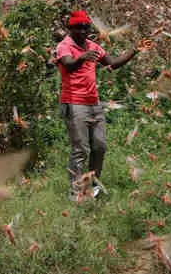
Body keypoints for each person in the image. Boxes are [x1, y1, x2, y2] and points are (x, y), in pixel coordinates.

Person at [54, 10, 151, 201]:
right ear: (70, 29)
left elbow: (113, 63)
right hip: (74, 104)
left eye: (85, 27)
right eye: (78, 28)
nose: (82, 31)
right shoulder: (64, 46)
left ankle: (91, 187)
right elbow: (67, 64)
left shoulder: (93, 46)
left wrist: (134, 50)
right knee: (80, 149)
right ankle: (75, 193)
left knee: (99, 147)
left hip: (94, 104)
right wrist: (82, 58)